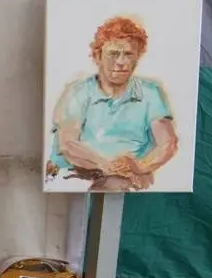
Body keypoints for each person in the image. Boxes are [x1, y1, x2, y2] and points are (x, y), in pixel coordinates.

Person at [46, 15, 179, 192]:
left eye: (128, 54)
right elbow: (68, 145)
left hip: (128, 176)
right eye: (114, 54)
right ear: (97, 56)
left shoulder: (150, 93)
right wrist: (105, 166)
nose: (121, 62)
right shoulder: (78, 92)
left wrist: (139, 166)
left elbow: (168, 144)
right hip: (76, 173)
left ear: (138, 56)